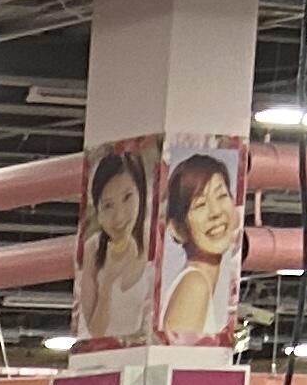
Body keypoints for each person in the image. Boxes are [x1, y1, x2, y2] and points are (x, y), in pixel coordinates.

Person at [72, 147, 154, 346]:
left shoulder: (154, 242)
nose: (119, 216)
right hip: (103, 357)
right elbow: (95, 332)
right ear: (98, 211)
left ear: (141, 194)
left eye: (127, 197)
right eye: (108, 205)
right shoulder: (92, 250)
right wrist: (108, 280)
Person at [156, 152, 240, 342]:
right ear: (177, 229)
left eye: (221, 195)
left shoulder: (199, 284)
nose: (216, 212)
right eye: (200, 205)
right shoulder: (194, 285)